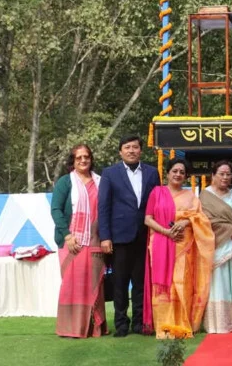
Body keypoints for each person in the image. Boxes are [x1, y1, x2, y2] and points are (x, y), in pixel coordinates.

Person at [143, 158, 215, 338]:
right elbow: (148, 219)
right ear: (167, 173)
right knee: (162, 286)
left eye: (182, 172)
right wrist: (167, 232)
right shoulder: (157, 192)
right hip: (160, 243)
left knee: (181, 283)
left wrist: (186, 221)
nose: (178, 174)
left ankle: (182, 325)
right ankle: (164, 326)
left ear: (185, 176)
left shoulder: (191, 196)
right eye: (175, 171)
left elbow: (201, 219)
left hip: (184, 247)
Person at [98, 135, 160, 337]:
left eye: (135, 147)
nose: (132, 150)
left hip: (145, 237)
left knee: (141, 283)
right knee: (120, 283)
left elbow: (157, 205)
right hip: (119, 238)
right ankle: (121, 324)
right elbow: (104, 207)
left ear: (141, 151)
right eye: (127, 147)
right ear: (120, 151)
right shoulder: (109, 173)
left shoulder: (152, 172)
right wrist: (105, 237)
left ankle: (140, 323)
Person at [51, 144, 108, 338]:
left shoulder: (101, 182)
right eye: (79, 158)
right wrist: (67, 235)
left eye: (86, 157)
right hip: (72, 242)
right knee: (71, 285)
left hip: (95, 242)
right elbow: (56, 210)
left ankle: (94, 328)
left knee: (94, 285)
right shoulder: (65, 182)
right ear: (73, 161)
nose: (83, 160)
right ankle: (71, 328)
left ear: (91, 159)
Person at [200, 160, 232, 333]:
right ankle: (218, 323)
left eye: (228, 174)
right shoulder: (204, 196)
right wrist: (230, 228)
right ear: (213, 176)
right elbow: (204, 221)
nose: (225, 177)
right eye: (221, 174)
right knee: (218, 283)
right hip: (215, 246)